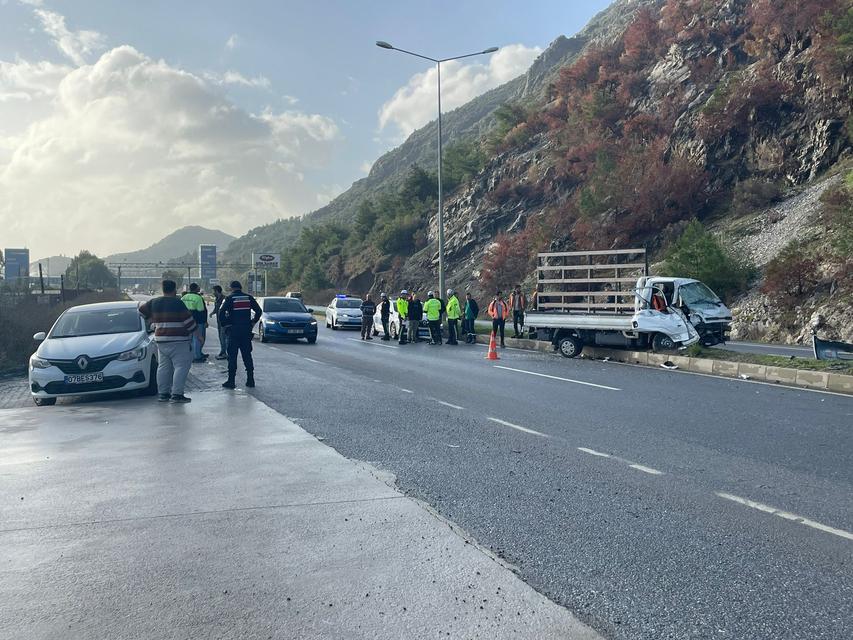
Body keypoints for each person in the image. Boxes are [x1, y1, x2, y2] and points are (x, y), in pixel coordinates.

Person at [138, 279, 198, 403]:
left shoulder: (154, 302)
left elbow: (141, 311)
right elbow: (189, 322)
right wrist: (198, 335)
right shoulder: (177, 303)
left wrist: (152, 320)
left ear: (163, 289)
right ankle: (177, 394)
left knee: (163, 367)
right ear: (174, 289)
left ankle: (163, 394)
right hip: (179, 340)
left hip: (161, 340)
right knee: (181, 367)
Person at [218, 280, 262, 389]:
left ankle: (231, 381)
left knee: (232, 356)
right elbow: (259, 311)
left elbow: (221, 313)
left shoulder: (229, 298)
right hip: (246, 331)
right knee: (247, 355)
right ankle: (250, 380)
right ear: (240, 287)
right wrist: (252, 322)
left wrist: (225, 324)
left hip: (233, 331)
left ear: (231, 288)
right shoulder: (248, 298)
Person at [182, 283, 208, 362]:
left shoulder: (183, 297)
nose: (199, 288)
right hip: (197, 321)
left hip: (185, 322)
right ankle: (197, 356)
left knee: (189, 339)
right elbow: (201, 311)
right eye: (198, 287)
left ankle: (192, 355)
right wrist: (204, 322)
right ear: (196, 288)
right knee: (197, 339)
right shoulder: (198, 297)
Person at [209, 284, 227, 359]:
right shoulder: (217, 299)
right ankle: (223, 351)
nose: (213, 293)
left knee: (224, 337)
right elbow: (217, 308)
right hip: (219, 321)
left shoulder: (224, 299)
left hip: (224, 321)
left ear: (217, 291)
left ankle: (224, 352)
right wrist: (212, 313)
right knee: (221, 336)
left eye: (214, 291)